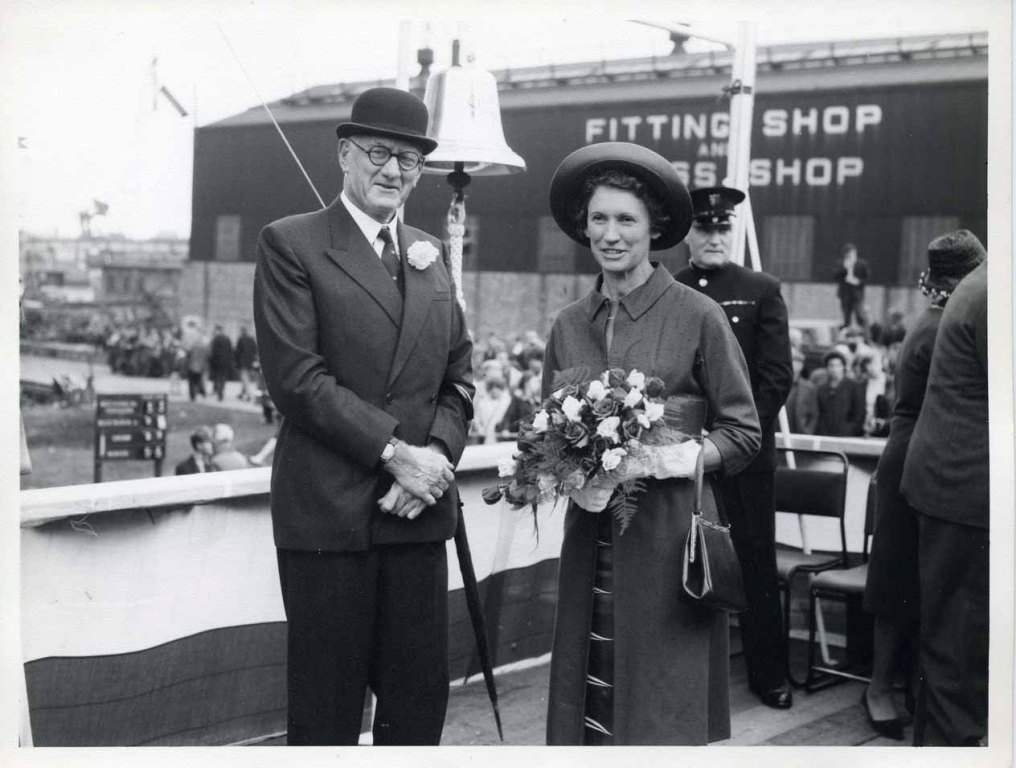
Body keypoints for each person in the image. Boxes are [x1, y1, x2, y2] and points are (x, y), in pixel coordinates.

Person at [252, 87, 474, 746]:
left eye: (409, 160)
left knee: (417, 705)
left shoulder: (428, 254)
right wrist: (397, 456)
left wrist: (433, 458)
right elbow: (298, 381)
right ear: (345, 153)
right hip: (331, 519)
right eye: (379, 153)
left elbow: (458, 380)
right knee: (326, 712)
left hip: (417, 514)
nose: (393, 171)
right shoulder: (291, 244)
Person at [542, 143, 761, 745]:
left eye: (626, 220)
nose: (610, 235)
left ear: (654, 228)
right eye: (598, 219)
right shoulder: (567, 324)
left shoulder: (699, 314)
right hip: (591, 540)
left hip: (670, 541)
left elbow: (744, 434)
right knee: (592, 692)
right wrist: (568, 469)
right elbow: (540, 434)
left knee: (661, 708)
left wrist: (669, 457)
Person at [862, 229, 986, 741]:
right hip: (918, 460)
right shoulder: (941, 327)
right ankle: (881, 689)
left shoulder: (932, 320)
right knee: (900, 583)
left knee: (917, 587)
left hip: (912, 457)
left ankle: (904, 690)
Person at [675, 185, 795, 710]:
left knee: (754, 564)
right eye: (704, 227)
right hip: (681, 459)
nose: (715, 237)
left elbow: (776, 376)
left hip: (744, 460)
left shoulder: (760, 288)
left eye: (723, 227)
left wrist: (735, 439)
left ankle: (770, 674)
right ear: (688, 234)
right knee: (679, 561)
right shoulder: (671, 287)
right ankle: (684, 673)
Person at [900, 251, 989, 747]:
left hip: (955, 490)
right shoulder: (993, 293)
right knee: (960, 658)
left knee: (951, 654)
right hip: (965, 495)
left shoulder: (981, 285)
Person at [815, 350, 865, 436]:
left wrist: (850, 429)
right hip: (826, 434)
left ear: (843, 367)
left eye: (838, 365)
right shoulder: (822, 389)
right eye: (831, 365)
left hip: (847, 435)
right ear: (827, 368)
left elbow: (859, 413)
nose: (834, 369)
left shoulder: (853, 386)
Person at [834, 243, 870, 330]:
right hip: (845, 294)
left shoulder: (862, 264)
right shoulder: (841, 263)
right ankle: (845, 336)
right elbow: (836, 276)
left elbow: (866, 277)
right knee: (846, 317)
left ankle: (866, 337)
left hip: (857, 294)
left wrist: (858, 281)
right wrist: (846, 268)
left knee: (860, 315)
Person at [785, 348, 818, 435]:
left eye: (797, 362)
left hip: (800, 432)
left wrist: (807, 431)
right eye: (792, 361)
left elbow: (814, 414)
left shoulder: (809, 387)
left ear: (802, 365)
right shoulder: (779, 384)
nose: (794, 365)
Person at [209, 325, 234, 401]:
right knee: (223, 377)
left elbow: (214, 352)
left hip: (218, 361)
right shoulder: (227, 339)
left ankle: (219, 391)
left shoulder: (216, 339)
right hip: (226, 361)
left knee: (218, 377)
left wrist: (212, 361)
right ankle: (220, 391)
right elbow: (231, 351)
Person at [234, 326, 259, 401]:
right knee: (246, 378)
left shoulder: (240, 339)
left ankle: (249, 394)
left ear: (242, 332)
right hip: (250, 362)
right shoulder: (251, 339)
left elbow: (237, 352)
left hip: (242, 362)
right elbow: (255, 350)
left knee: (245, 379)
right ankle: (242, 393)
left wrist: (236, 361)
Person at [185, 335, 210, 401]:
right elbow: (207, 357)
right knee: (198, 381)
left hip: (192, 366)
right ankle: (200, 393)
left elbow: (188, 356)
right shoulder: (205, 349)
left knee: (192, 382)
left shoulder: (193, 348)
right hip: (201, 367)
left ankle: (192, 395)